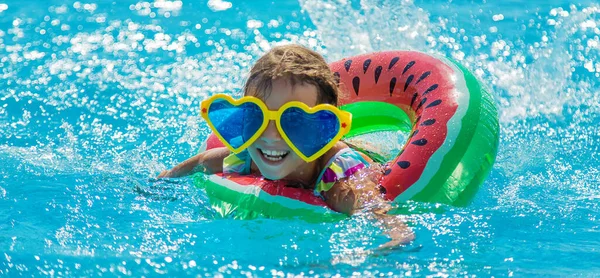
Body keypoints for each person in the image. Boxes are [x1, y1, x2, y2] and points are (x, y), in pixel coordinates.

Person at [158, 44, 414, 249]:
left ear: (324, 129)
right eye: (258, 116)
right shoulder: (246, 153)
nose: (271, 136)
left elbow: (388, 222)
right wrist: (160, 183)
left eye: (293, 120)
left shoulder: (340, 181)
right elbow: (201, 162)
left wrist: (380, 248)